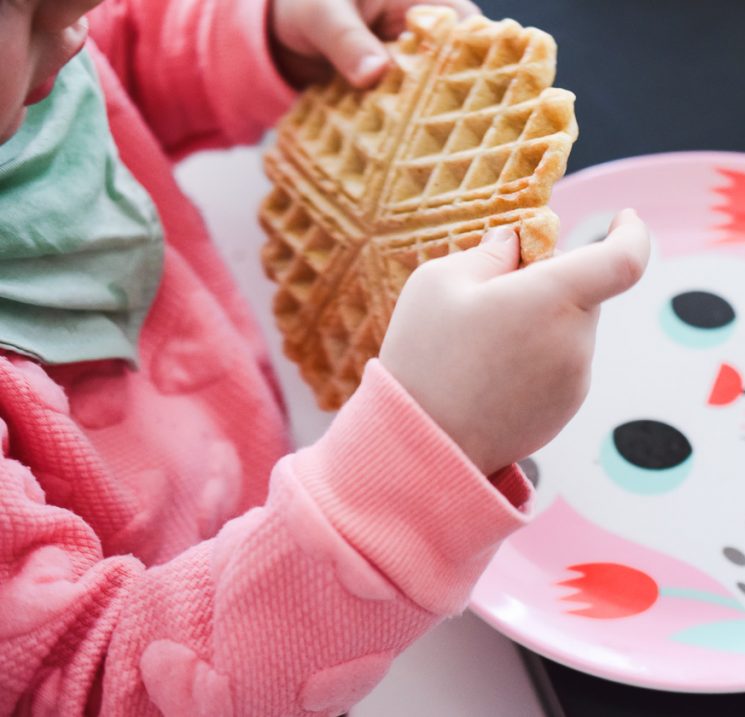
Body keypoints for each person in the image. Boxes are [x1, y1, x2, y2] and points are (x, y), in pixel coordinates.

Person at [0, 0, 650, 714]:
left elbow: (107, 66)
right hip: (265, 629)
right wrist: (416, 467)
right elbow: (86, 685)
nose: (77, 16)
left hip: (269, 483)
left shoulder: (45, 47)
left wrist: (262, 39)